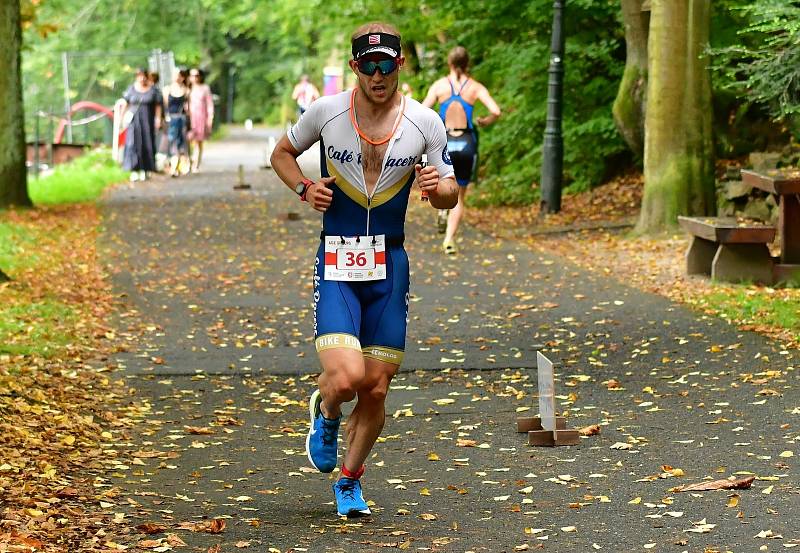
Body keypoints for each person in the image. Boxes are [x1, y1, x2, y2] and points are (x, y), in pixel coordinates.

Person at [270, 22, 458, 518]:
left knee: (376, 385)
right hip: (337, 258)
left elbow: (450, 193)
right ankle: (326, 409)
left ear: (400, 65)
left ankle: (350, 481)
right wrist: (304, 189)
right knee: (347, 377)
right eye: (369, 65)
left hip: (389, 264)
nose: (378, 74)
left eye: (387, 64)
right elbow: (282, 153)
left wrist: (436, 186)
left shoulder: (426, 123)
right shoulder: (326, 113)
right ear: (356, 67)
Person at [422, 46, 501, 254]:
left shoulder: (439, 86)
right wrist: (485, 121)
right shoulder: (475, 87)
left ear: (449, 63)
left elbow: (422, 111)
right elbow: (496, 111)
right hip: (466, 142)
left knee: (442, 184)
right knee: (460, 196)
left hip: (444, 142)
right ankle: (449, 239)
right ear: (467, 64)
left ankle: (441, 209)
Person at [121, 68, 162, 181]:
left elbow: (158, 105)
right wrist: (122, 117)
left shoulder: (153, 90)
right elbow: (125, 103)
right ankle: (134, 169)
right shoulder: (131, 89)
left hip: (147, 121)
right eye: (139, 75)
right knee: (132, 144)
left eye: (144, 75)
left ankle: (146, 169)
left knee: (147, 143)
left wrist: (158, 119)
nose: (142, 78)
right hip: (134, 122)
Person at [163, 69, 190, 177]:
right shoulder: (167, 90)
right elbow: (165, 106)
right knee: (171, 142)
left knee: (180, 143)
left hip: (181, 119)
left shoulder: (186, 91)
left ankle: (176, 167)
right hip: (171, 119)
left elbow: (188, 107)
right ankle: (173, 167)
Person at [187, 68, 214, 172]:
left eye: (197, 75)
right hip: (190, 118)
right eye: (192, 75)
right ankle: (189, 162)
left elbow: (209, 104)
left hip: (201, 117)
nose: (194, 78)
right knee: (188, 141)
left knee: (199, 141)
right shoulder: (189, 88)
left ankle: (196, 164)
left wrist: (210, 119)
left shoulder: (205, 88)